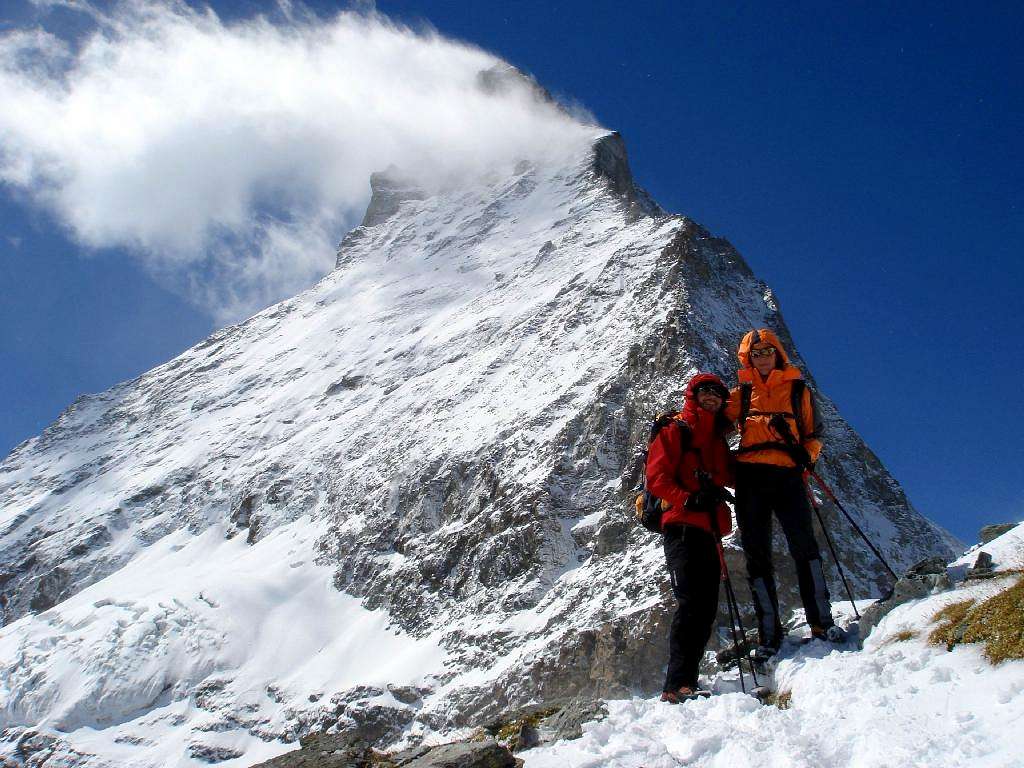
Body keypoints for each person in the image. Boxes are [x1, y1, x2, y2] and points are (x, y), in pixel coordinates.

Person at [726, 329, 846, 661]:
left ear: (778, 353)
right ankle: (769, 635)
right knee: (756, 553)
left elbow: (814, 432)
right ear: (747, 358)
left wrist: (807, 458)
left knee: (804, 545)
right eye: (756, 353)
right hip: (750, 477)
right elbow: (715, 422)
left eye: (767, 351)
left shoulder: (797, 390)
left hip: (787, 474)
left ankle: (821, 622)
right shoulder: (741, 394)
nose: (762, 357)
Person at [645, 373, 734, 703]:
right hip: (681, 526)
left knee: (706, 606)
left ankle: (688, 682)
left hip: (709, 529)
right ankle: (676, 683)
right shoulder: (675, 430)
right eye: (705, 392)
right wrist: (687, 498)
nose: (711, 397)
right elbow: (656, 477)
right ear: (693, 396)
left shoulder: (717, 439)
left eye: (717, 394)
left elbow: (729, 475)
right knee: (691, 602)